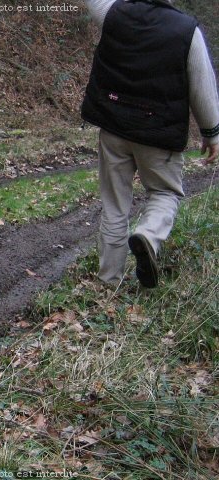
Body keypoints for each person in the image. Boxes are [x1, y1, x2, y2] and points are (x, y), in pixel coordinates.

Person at [81, 0, 219, 288]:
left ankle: (109, 281)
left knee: (114, 206)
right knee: (165, 193)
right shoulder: (186, 30)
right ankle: (148, 234)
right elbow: (202, 88)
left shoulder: (113, 13)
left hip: (114, 128)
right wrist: (211, 134)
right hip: (159, 135)